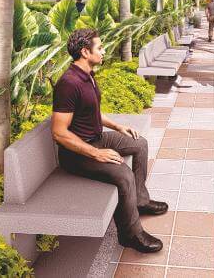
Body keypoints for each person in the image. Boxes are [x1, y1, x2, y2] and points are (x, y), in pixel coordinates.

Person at [51, 28, 168, 254]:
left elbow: (92, 110)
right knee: (123, 174)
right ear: (85, 52)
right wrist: (97, 153)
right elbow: (59, 132)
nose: (104, 51)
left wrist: (117, 126)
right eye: (100, 47)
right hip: (77, 154)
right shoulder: (69, 83)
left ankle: (140, 200)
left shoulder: (88, 75)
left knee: (139, 144)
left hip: (97, 138)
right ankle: (130, 234)